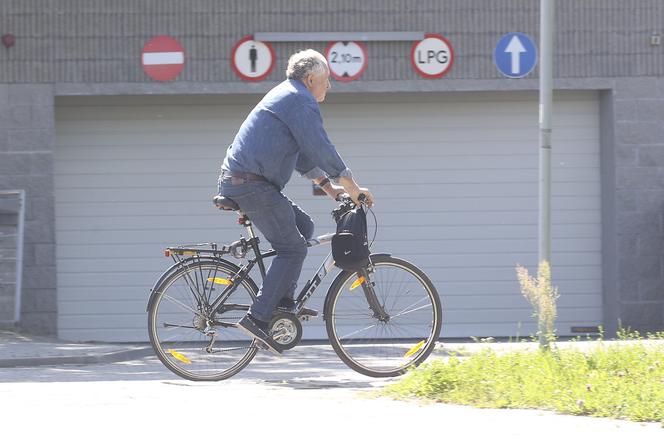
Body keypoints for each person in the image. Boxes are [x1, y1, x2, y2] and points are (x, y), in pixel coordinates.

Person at [217, 49, 374, 355]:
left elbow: (302, 154)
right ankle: (258, 317)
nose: (329, 86)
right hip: (251, 184)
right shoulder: (299, 99)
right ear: (311, 78)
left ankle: (282, 303)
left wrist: (330, 189)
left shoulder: (288, 95)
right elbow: (319, 145)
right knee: (294, 248)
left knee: (304, 225)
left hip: (250, 182)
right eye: (326, 80)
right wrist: (351, 185)